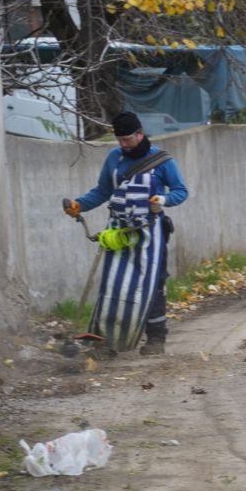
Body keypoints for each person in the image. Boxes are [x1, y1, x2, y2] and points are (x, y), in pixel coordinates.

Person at [62, 111, 189, 355]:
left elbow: (181, 191)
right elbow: (102, 191)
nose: (123, 145)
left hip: (151, 234)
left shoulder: (162, 161)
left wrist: (163, 200)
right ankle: (107, 341)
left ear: (140, 134)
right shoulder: (114, 158)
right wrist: (80, 205)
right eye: (119, 140)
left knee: (153, 283)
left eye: (127, 139)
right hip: (118, 233)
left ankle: (155, 339)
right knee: (114, 283)